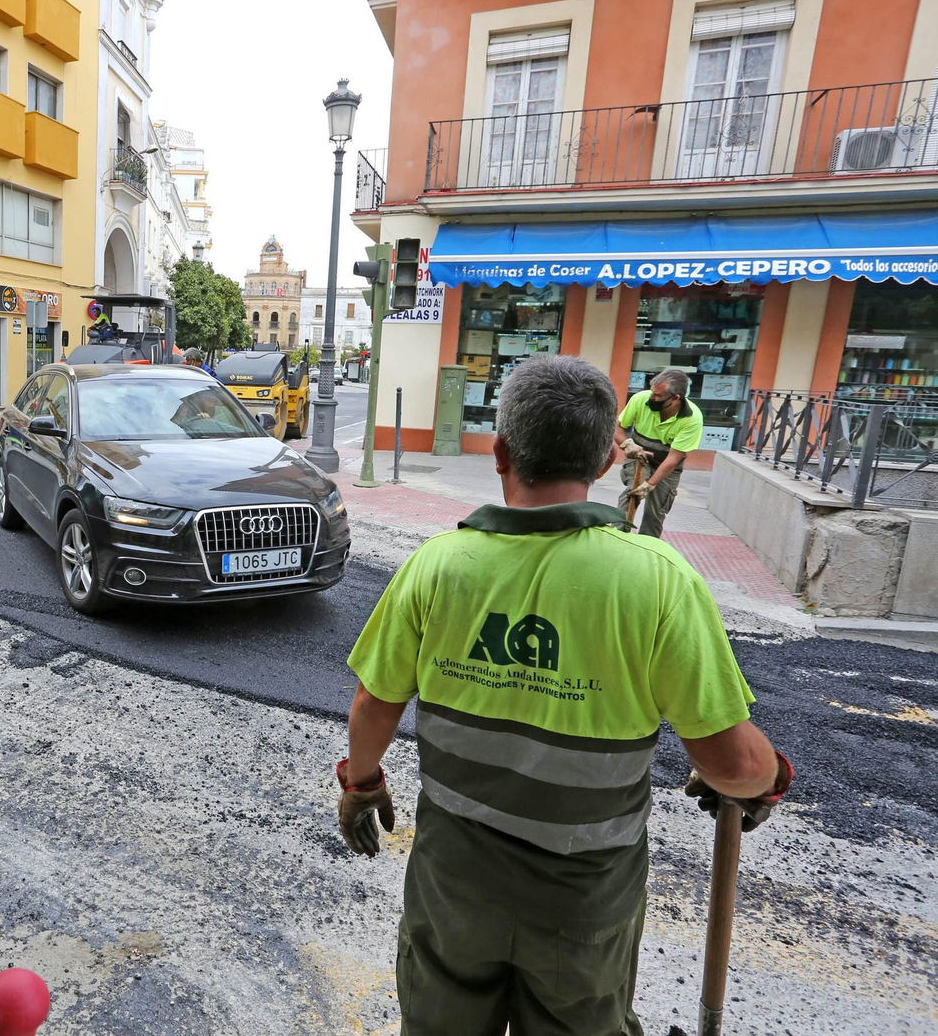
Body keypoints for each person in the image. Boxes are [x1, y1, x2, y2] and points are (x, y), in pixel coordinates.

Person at [339, 355, 792, 1036]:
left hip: (452, 878)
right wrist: (768, 777)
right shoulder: (657, 581)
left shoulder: (438, 564)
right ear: (607, 461)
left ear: (499, 453)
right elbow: (731, 763)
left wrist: (362, 781)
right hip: (583, 899)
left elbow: (374, 706)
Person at [615, 368, 702, 538]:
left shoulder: (692, 419)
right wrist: (627, 444)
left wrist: (650, 485)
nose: (651, 397)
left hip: (668, 465)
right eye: (652, 392)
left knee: (655, 511)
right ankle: (617, 536)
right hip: (639, 457)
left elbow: (673, 459)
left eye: (658, 396)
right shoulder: (640, 399)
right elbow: (618, 428)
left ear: (676, 398)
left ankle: (648, 545)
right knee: (633, 490)